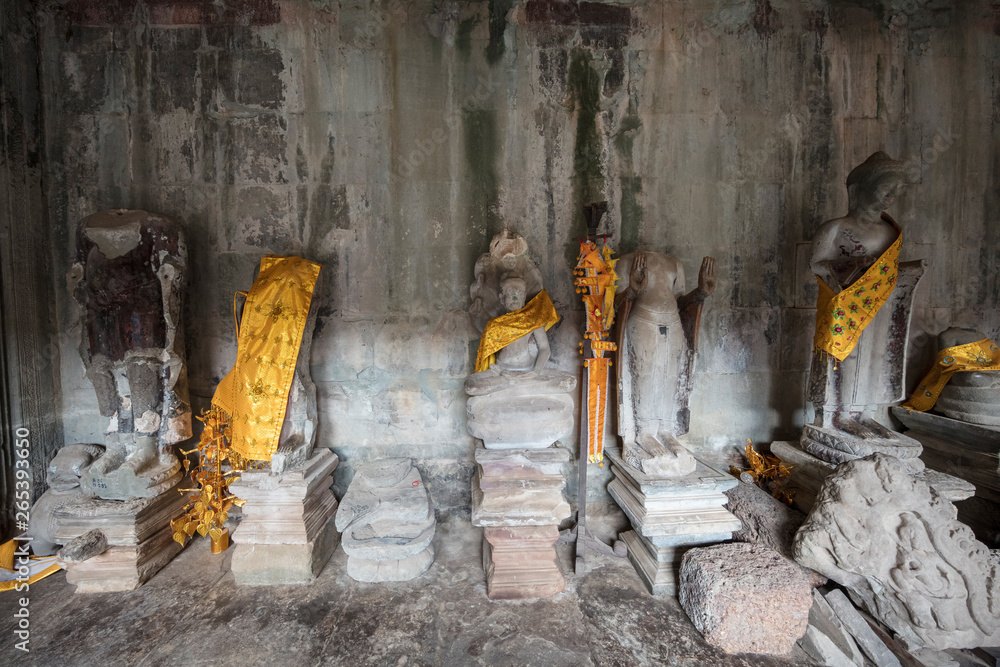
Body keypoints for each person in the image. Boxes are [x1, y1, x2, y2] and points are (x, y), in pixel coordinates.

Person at [615, 251, 716, 476]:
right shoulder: (628, 260)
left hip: (673, 322)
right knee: (645, 377)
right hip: (643, 320)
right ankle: (643, 433)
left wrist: (701, 292)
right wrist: (633, 289)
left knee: (670, 378)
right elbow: (615, 303)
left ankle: (666, 431)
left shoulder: (675, 262)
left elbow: (682, 300)